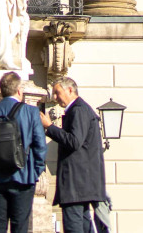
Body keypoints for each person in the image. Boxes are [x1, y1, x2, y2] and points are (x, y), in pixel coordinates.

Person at [0, 72, 46, 233]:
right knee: (20, 227)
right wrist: (34, 172)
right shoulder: (31, 112)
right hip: (24, 178)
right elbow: (40, 146)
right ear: (19, 90)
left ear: (1, 91)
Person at [40, 77, 106, 233]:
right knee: (83, 226)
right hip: (80, 186)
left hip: (76, 185)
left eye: (57, 92)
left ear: (70, 90)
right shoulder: (80, 109)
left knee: (74, 227)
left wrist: (50, 127)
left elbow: (74, 141)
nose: (55, 97)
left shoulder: (78, 109)